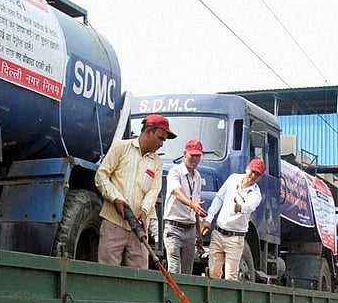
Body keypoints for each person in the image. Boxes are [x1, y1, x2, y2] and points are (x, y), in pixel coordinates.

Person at [95, 114, 174, 268]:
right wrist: (115, 199)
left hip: (139, 228)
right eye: (160, 138)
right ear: (149, 131)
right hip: (114, 222)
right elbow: (101, 176)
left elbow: (154, 191)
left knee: (139, 276)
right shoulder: (121, 148)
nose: (162, 144)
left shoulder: (157, 162)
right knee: (107, 273)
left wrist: (144, 211)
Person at [201, 158, 265, 280]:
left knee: (231, 276)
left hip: (235, 238)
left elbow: (250, 206)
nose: (253, 175)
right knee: (213, 273)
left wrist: (239, 207)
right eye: (252, 171)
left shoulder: (256, 194)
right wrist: (209, 219)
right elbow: (219, 198)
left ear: (260, 177)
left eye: (257, 174)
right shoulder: (233, 179)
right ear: (247, 169)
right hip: (218, 233)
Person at [163, 139, 208, 274]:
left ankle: (183, 295)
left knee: (187, 270)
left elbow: (196, 205)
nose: (195, 158)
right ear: (184, 154)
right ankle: (171, 294)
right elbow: (177, 192)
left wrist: (199, 232)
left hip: (190, 229)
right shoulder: (175, 171)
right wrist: (192, 205)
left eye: (198, 155)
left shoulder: (198, 176)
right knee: (174, 268)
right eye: (192, 155)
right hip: (174, 226)